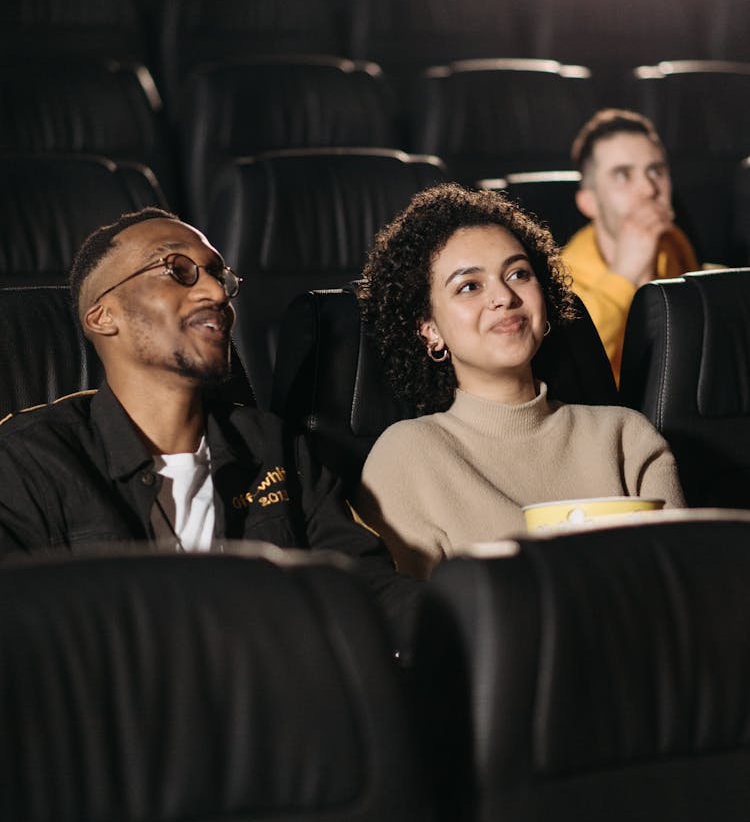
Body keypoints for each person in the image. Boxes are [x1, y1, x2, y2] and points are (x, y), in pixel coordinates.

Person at [0, 208, 421, 653]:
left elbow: (367, 588)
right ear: (104, 316)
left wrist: (473, 619)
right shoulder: (30, 463)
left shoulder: (273, 446)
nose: (216, 291)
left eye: (220, 275)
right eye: (177, 270)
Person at [355, 183, 685, 579]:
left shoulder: (625, 437)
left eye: (518, 273)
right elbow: (410, 625)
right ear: (429, 330)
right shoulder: (407, 457)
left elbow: (688, 593)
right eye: (469, 286)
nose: (504, 296)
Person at [562, 109, 698, 383]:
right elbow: (574, 366)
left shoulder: (673, 239)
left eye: (656, 171)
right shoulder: (563, 275)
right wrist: (625, 272)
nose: (649, 189)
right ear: (589, 202)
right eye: (623, 175)